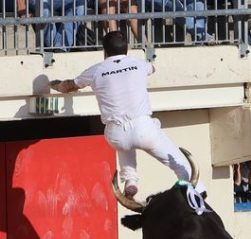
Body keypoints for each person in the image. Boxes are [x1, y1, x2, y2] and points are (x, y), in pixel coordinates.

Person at [49, 30, 203, 197]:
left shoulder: (96, 70)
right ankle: (199, 194)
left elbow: (68, 86)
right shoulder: (138, 64)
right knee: (180, 164)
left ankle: (130, 179)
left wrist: (54, 84)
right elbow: (153, 68)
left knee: (124, 138)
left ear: (104, 51)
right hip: (144, 130)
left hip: (115, 135)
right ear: (127, 49)